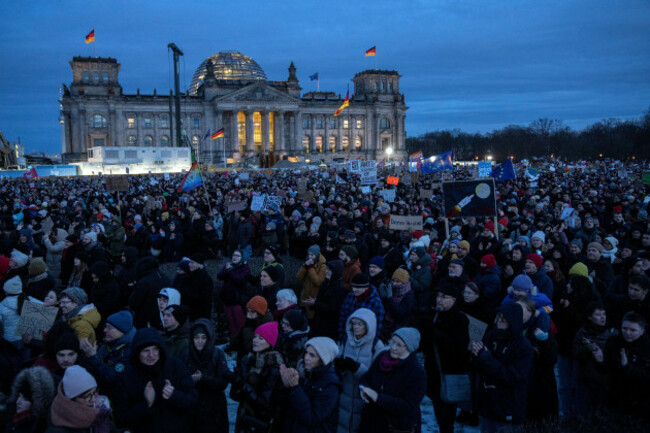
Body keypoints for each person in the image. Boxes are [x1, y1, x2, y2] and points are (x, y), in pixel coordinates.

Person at [114, 327, 198, 433]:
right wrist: (146, 405)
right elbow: (121, 419)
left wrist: (175, 395)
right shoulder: (127, 377)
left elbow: (194, 403)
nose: (151, 355)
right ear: (137, 352)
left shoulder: (176, 366)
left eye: (155, 349)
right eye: (146, 350)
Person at [471, 302, 534, 432]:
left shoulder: (523, 347)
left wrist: (486, 358)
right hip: (488, 405)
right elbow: (478, 366)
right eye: (498, 316)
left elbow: (512, 376)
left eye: (503, 318)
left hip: (508, 407)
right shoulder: (491, 336)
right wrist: (475, 356)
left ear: (512, 320)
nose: (499, 321)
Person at [358, 327, 427, 433]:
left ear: (410, 347)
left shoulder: (417, 373)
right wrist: (363, 388)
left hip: (396, 427)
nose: (393, 347)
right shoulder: (382, 357)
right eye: (392, 342)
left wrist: (377, 397)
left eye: (399, 345)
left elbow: (406, 406)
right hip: (371, 422)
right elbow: (367, 377)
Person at [423, 282, 469, 433]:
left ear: (454, 300)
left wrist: (433, 331)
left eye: (444, 297)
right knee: (438, 410)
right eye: (438, 296)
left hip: (450, 374)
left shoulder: (460, 319)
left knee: (447, 415)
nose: (439, 299)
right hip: (434, 372)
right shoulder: (435, 315)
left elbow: (457, 347)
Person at [336, 308, 385, 433]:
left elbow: (378, 376)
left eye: (360, 324)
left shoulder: (377, 346)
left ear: (368, 326)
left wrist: (356, 368)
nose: (355, 327)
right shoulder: (345, 341)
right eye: (353, 323)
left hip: (364, 398)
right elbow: (337, 365)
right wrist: (339, 366)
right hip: (345, 395)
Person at [231, 322, 284, 433]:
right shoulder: (247, 359)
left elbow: (264, 403)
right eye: (255, 336)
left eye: (260, 338)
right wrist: (235, 380)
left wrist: (242, 384)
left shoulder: (274, 368)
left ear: (270, 343)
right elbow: (235, 396)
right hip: (243, 417)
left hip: (259, 422)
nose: (255, 340)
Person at [280, 336, 341, 433]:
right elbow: (290, 409)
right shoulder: (306, 373)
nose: (306, 358)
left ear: (323, 359)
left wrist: (295, 388)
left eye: (312, 355)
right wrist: (287, 386)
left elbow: (311, 418)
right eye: (306, 353)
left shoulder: (330, 385)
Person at [601, 311, 650, 418]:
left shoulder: (647, 347)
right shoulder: (614, 342)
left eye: (633, 330)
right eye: (624, 328)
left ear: (642, 331)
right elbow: (606, 370)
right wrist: (600, 360)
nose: (627, 333)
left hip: (640, 400)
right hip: (615, 396)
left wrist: (627, 367)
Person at [186, 319, 231, 433]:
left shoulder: (217, 354)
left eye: (203, 337)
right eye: (196, 338)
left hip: (214, 408)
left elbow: (223, 382)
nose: (200, 341)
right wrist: (190, 380)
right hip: (194, 406)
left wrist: (203, 378)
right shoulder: (186, 354)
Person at [571, 303, 616, 416]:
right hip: (586, 378)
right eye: (598, 314)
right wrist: (588, 348)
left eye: (604, 314)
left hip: (606, 379)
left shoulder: (612, 332)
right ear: (589, 316)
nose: (602, 317)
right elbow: (575, 353)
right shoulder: (582, 332)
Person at [80, 310, 136, 395]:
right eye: (105, 327)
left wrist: (92, 357)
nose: (105, 330)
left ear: (122, 330)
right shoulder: (108, 345)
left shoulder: (129, 352)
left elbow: (110, 379)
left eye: (110, 328)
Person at [46, 365, 115, 433]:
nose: (94, 399)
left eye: (94, 392)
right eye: (87, 396)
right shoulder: (58, 430)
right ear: (71, 400)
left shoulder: (98, 412)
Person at [5, 366, 56, 433]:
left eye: (25, 399)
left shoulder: (39, 427)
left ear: (37, 402)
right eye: (19, 396)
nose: (18, 402)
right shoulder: (12, 415)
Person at [338, 273, 385, 343]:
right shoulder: (350, 296)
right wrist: (342, 337)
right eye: (353, 287)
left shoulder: (375, 303)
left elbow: (378, 326)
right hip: (347, 339)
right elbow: (342, 316)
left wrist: (371, 343)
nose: (354, 289)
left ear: (366, 288)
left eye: (357, 287)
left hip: (365, 342)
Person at [217, 249, 253, 338]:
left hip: (237, 300)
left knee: (240, 323)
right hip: (227, 300)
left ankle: (243, 341)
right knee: (231, 323)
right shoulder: (229, 266)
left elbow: (239, 279)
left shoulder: (245, 268)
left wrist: (230, 271)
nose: (234, 257)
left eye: (237, 255)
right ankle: (234, 341)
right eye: (233, 255)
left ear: (241, 258)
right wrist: (226, 269)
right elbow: (219, 276)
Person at [128, 257, 172, 329]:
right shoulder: (166, 279)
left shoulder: (144, 281)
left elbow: (134, 302)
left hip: (144, 318)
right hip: (162, 317)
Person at [309, 260, 346, 340]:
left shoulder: (339, 288)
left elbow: (333, 308)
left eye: (329, 270)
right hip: (318, 321)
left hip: (328, 325)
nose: (327, 271)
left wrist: (315, 303)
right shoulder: (326, 282)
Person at [230, 296, 274, 360]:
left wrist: (248, 327)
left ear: (260, 313)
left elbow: (251, 345)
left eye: (252, 312)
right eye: (247, 311)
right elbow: (238, 338)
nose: (248, 314)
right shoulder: (253, 318)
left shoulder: (266, 323)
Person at [380, 268, 416, 341]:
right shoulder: (391, 290)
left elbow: (399, 313)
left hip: (399, 326)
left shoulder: (409, 296)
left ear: (404, 283)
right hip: (387, 325)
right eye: (393, 281)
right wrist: (383, 297)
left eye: (398, 281)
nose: (394, 284)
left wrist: (389, 298)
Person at [177, 253, 214, 321]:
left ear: (199, 264)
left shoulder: (205, 278)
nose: (189, 264)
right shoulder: (190, 276)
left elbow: (205, 298)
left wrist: (187, 295)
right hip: (191, 311)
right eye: (190, 262)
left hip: (200, 313)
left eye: (192, 263)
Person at [296, 245, 327, 319]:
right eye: (308, 254)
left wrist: (310, 268)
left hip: (314, 297)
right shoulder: (308, 261)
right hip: (305, 295)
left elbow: (318, 281)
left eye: (312, 255)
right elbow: (298, 277)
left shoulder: (323, 266)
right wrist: (304, 267)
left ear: (317, 255)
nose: (310, 257)